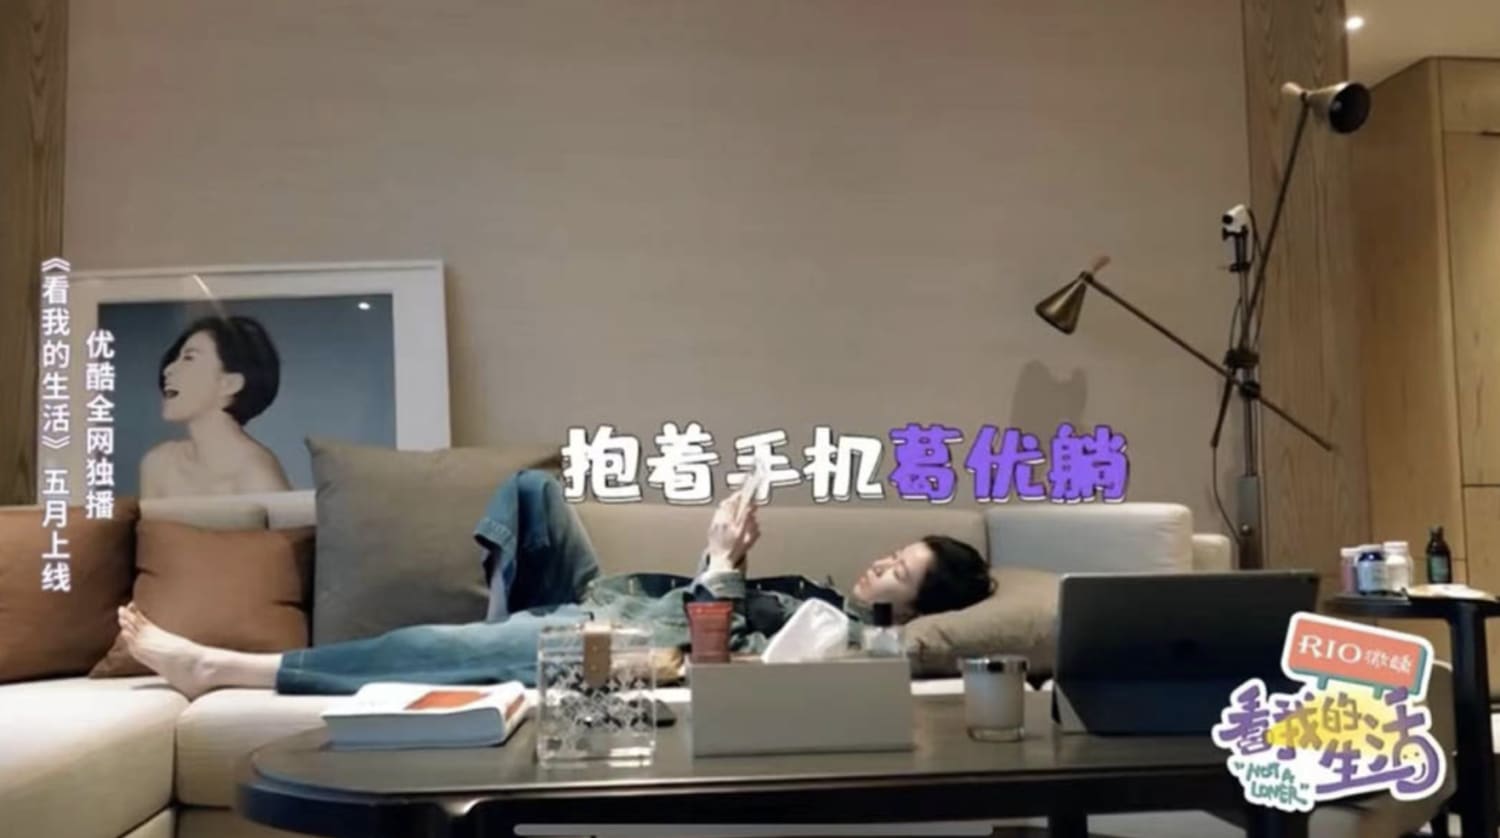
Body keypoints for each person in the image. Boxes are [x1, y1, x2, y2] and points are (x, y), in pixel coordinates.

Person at [120, 471, 995, 699]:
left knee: (435, 648)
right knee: (534, 491)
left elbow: (714, 656)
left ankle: (223, 669)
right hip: (608, 600)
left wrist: (722, 561)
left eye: (898, 572)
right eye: (893, 552)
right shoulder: (822, 595)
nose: (879, 564)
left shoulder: (848, 637)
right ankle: (508, 642)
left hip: (628, 643)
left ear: (914, 608)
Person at [140, 315, 292, 498]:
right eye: (176, 358)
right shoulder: (160, 463)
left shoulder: (257, 476)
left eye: (189, 358)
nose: (168, 369)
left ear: (230, 384)